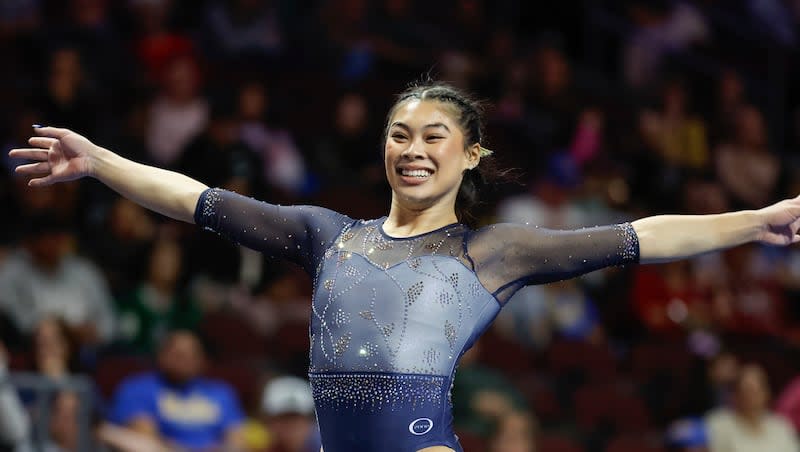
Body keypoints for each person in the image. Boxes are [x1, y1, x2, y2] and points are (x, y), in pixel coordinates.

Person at [9, 81, 800, 452]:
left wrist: (756, 221)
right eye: (398, 133)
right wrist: (102, 160)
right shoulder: (326, 235)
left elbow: (643, 236)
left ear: (471, 154)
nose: (411, 150)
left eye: (432, 137)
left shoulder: (492, 252)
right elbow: (194, 199)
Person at [106, 330, 245, 451]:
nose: (184, 361)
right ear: (161, 355)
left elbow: (237, 440)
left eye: (192, 355)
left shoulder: (222, 393)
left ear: (202, 360)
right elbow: (145, 439)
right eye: (178, 354)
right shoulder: (137, 388)